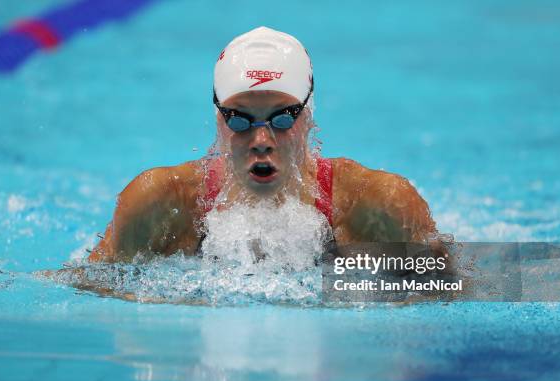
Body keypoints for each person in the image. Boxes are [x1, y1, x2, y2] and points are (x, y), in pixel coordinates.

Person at [88, 26, 438, 264]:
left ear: (309, 115)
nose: (261, 141)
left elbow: (451, 292)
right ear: (218, 118)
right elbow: (89, 288)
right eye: (239, 118)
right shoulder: (160, 205)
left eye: (282, 117)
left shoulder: (377, 205)